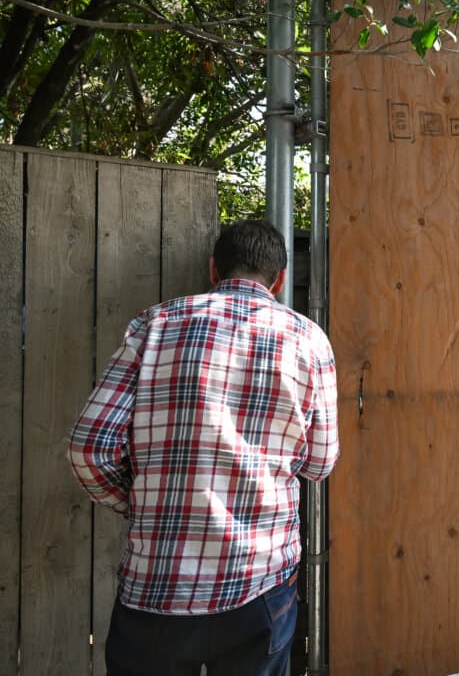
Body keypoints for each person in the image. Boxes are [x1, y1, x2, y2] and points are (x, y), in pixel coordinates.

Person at [69, 219, 339, 676]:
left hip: (156, 586)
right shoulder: (309, 341)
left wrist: (139, 502)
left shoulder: (155, 325)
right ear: (279, 279)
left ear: (214, 270)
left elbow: (88, 449)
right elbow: (319, 463)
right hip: (261, 582)